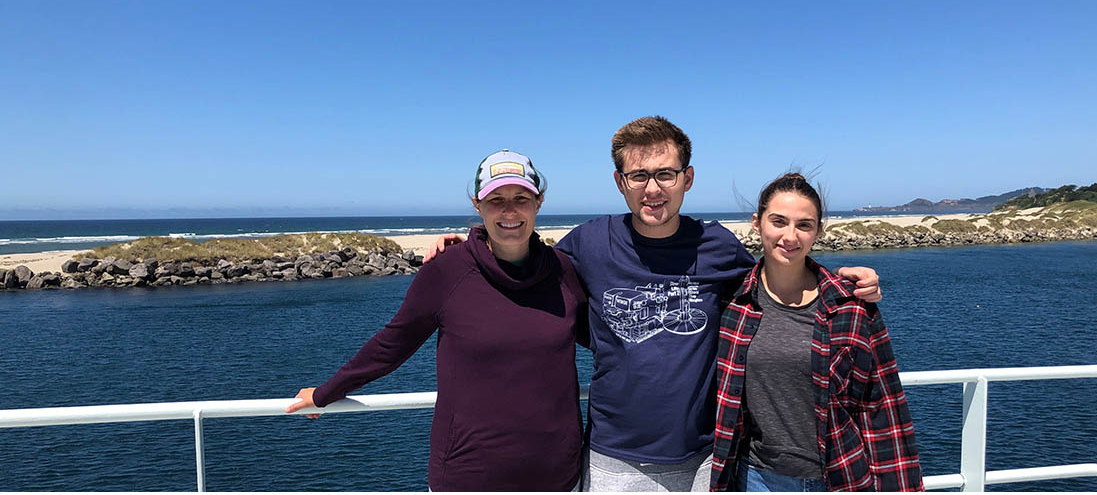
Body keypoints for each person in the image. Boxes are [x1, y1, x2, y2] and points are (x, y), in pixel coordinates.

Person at [427, 116, 883, 491]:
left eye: (665, 174)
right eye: (639, 176)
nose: (652, 189)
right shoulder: (589, 242)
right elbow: (523, 269)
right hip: (614, 458)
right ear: (619, 182)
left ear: (687, 178)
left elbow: (775, 278)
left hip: (707, 455)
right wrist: (468, 248)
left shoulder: (717, 245)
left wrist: (840, 284)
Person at [286, 150, 588, 491]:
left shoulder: (561, 270)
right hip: (467, 477)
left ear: (539, 202)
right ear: (477, 205)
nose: (509, 211)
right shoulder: (447, 271)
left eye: (521, 198)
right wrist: (327, 392)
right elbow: (392, 345)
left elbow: (607, 338)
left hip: (558, 477)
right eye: (495, 200)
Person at [709, 173, 922, 491]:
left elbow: (880, 405)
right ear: (757, 223)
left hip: (839, 476)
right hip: (754, 477)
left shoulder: (851, 305)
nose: (790, 236)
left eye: (804, 225)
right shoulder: (731, 300)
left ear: (819, 231)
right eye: (778, 221)